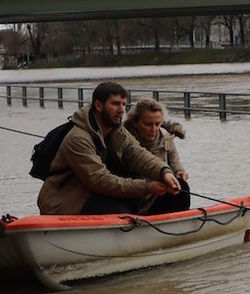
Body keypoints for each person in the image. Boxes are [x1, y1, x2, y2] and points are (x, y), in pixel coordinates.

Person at [37, 81, 182, 215]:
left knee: (178, 191)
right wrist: (147, 186)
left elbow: (137, 153)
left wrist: (164, 172)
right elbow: (100, 180)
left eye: (124, 104)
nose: (121, 110)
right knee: (121, 211)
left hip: (92, 194)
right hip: (67, 203)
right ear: (99, 105)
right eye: (115, 104)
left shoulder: (115, 129)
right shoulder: (78, 139)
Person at [125, 98, 191, 212]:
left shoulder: (166, 137)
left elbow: (174, 161)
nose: (153, 129)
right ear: (135, 123)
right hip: (138, 192)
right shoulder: (125, 140)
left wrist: (179, 172)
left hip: (164, 189)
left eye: (157, 124)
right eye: (148, 124)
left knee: (182, 186)